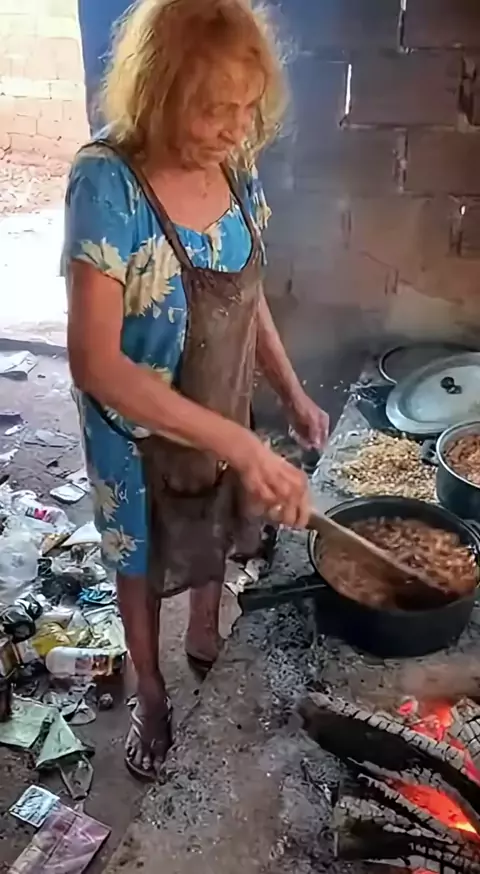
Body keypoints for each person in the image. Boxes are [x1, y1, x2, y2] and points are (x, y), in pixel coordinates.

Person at [65, 0, 329, 781]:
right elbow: (95, 363)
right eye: (215, 108)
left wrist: (292, 393)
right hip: (135, 430)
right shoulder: (107, 182)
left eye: (247, 107)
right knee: (140, 557)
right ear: (160, 89)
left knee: (213, 521)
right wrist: (242, 443)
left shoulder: (233, 163)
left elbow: (245, 292)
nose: (235, 127)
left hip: (219, 402)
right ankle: (151, 690)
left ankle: (205, 636)